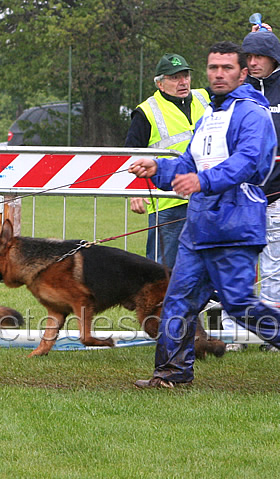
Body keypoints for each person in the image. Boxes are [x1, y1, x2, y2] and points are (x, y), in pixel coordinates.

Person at [129, 41, 280, 388]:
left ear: (243, 73)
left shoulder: (252, 114)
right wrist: (157, 168)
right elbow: (186, 164)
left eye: (227, 68)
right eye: (213, 68)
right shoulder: (209, 117)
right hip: (198, 228)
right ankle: (171, 375)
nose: (218, 74)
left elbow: (247, 163)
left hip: (235, 225)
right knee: (177, 302)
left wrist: (203, 180)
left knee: (240, 305)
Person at [221, 25, 280, 350]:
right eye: (250, 56)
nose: (255, 62)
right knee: (237, 264)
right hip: (238, 196)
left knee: (274, 267)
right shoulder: (233, 90)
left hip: (275, 196)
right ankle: (234, 333)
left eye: (261, 56)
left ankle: (270, 333)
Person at [125, 53, 210, 268]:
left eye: (185, 75)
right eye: (174, 78)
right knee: (162, 269)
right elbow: (130, 154)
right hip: (168, 202)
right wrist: (134, 191)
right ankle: (156, 303)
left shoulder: (205, 98)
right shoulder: (146, 111)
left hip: (206, 197)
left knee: (207, 263)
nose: (183, 82)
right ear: (160, 84)